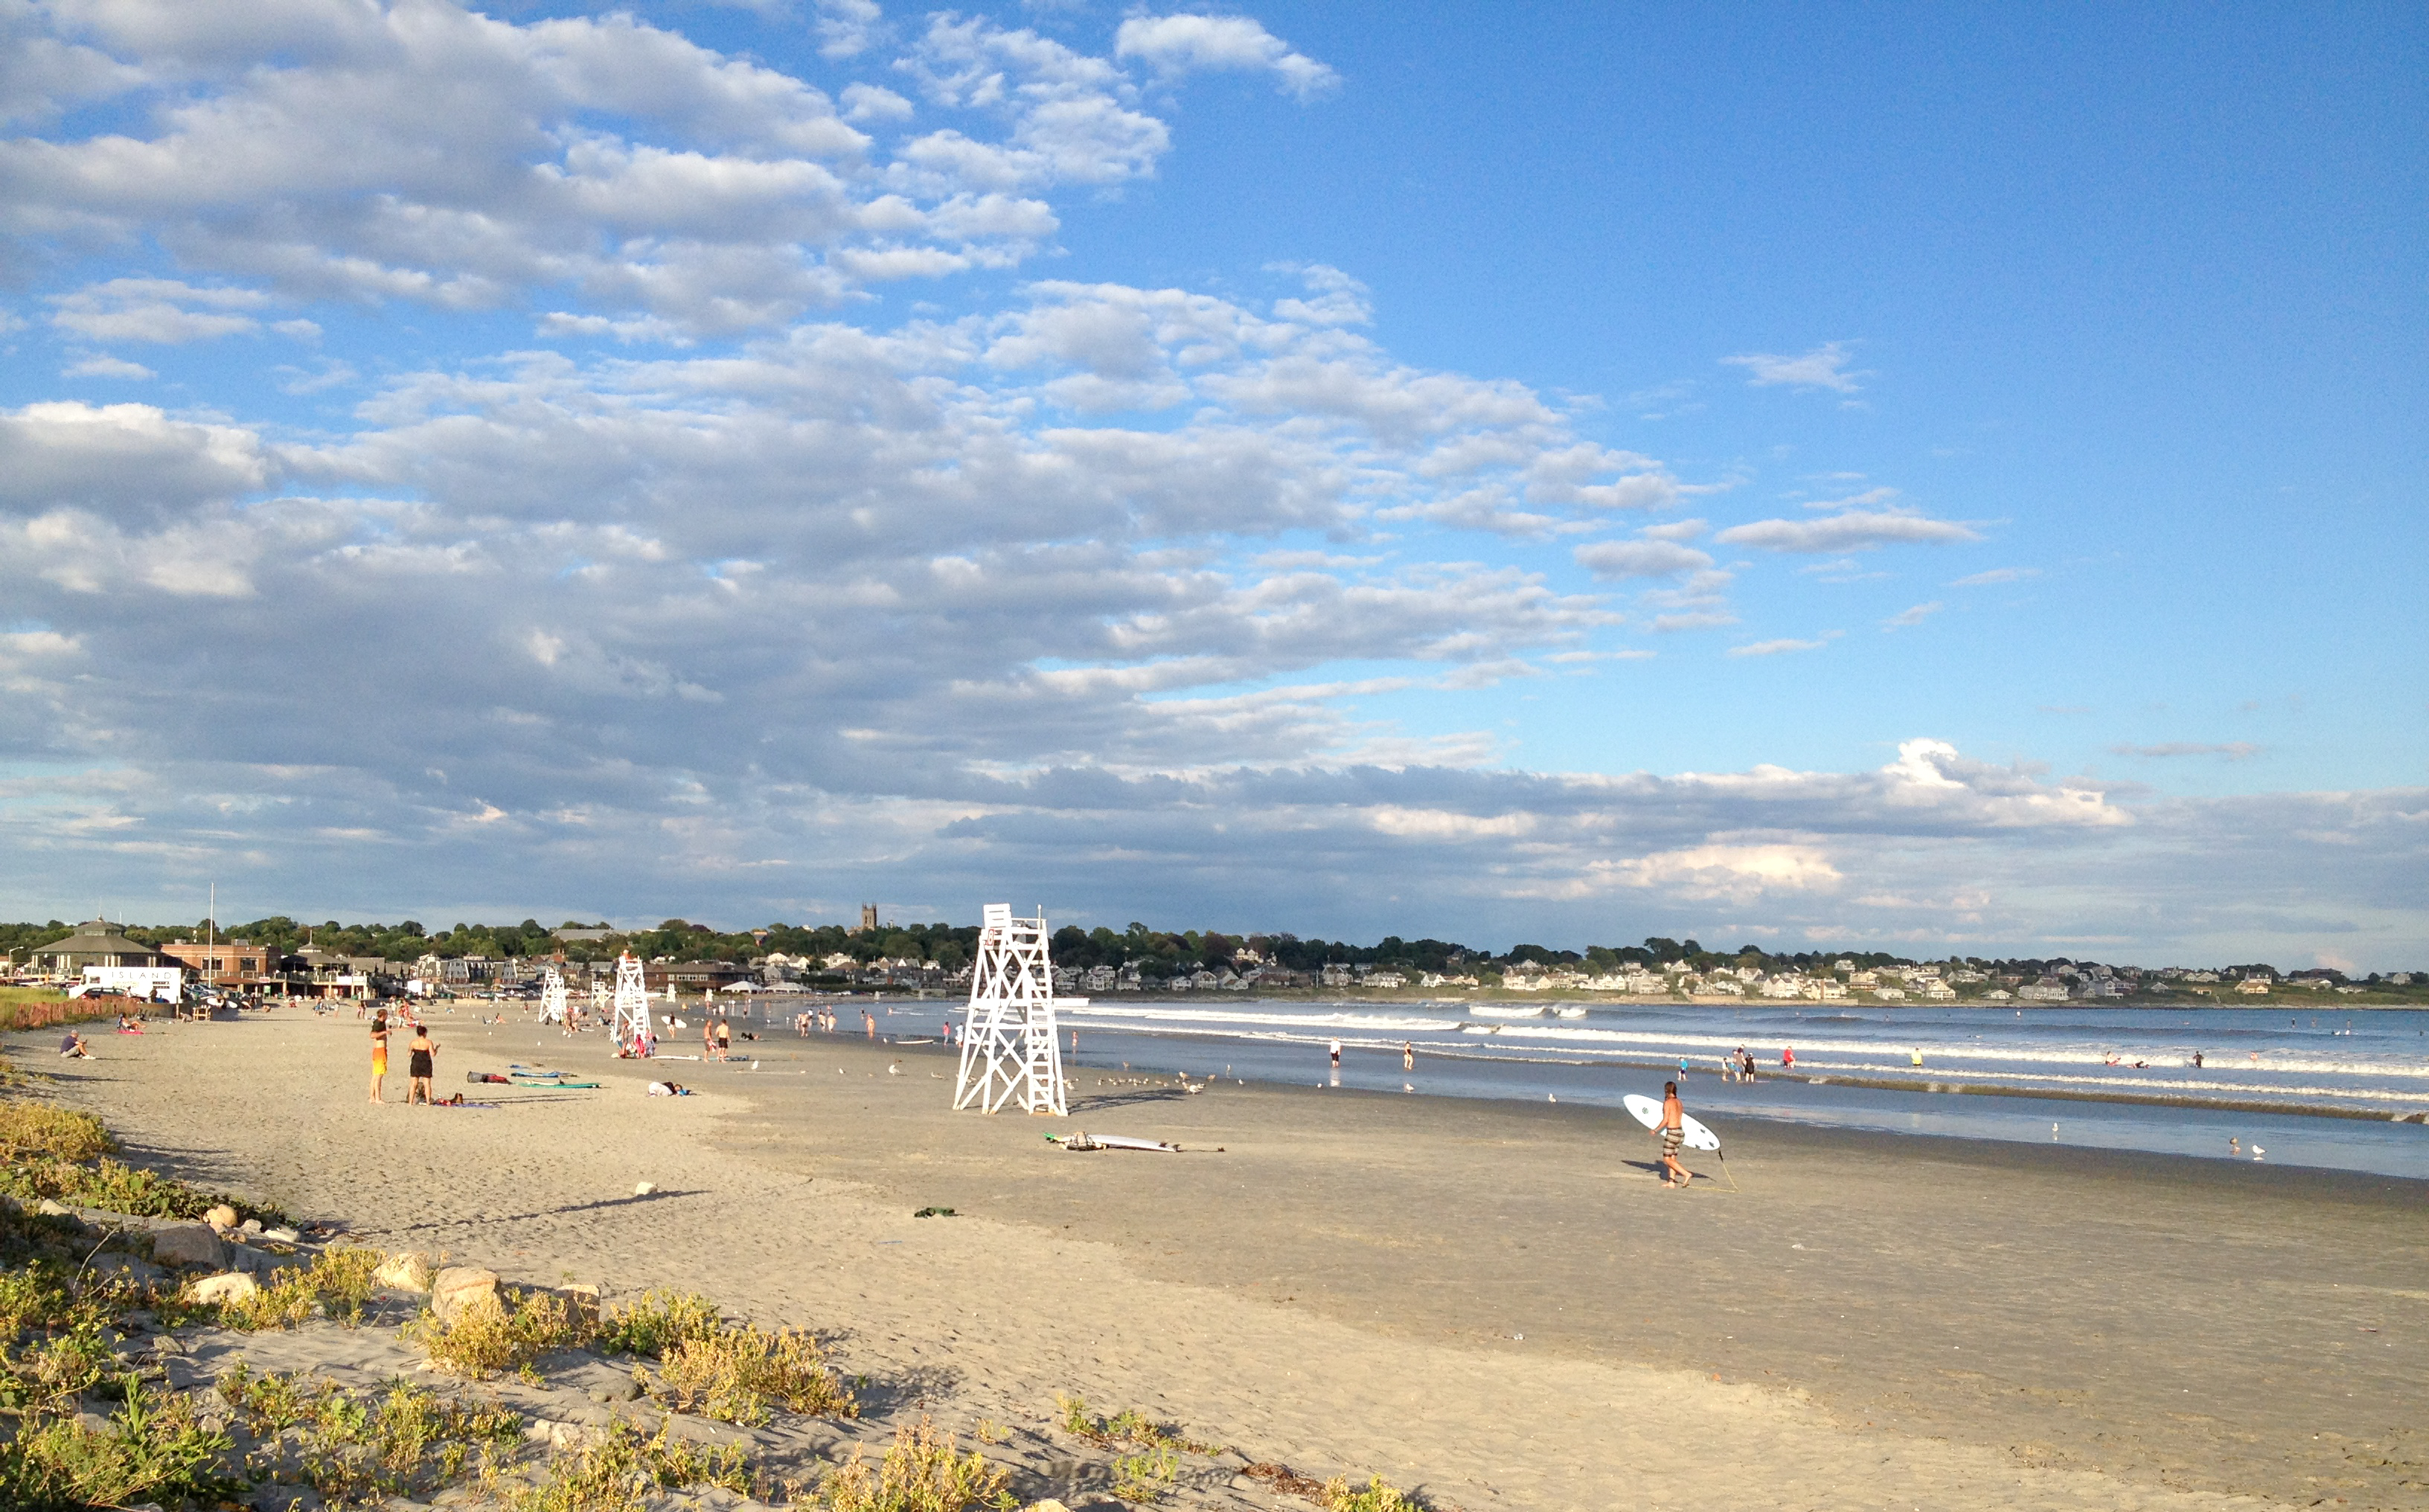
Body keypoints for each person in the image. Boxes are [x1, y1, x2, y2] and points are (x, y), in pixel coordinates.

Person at [1657, 1080, 1691, 1189]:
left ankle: (1686, 1174)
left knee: (1667, 1159)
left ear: (1666, 1090)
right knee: (1672, 1158)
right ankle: (1671, 1182)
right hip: (1680, 1132)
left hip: (1672, 1132)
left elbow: (1666, 1120)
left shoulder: (1668, 1103)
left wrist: (1656, 1130)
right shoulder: (1679, 1102)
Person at [406, 1024, 437, 1104]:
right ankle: (428, 1102)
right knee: (427, 1084)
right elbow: (433, 1054)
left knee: (413, 1084)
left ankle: (410, 1102)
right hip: (426, 1063)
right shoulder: (428, 1042)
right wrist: (436, 1048)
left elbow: (409, 1054)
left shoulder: (413, 1042)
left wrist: (411, 1050)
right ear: (425, 1033)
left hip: (416, 1062)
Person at [369, 1013, 390, 1103]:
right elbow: (372, 1035)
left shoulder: (382, 1023)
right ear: (383, 1016)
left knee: (375, 1076)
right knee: (379, 1075)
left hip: (380, 1050)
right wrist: (384, 1033)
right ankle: (377, 1098)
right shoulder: (377, 1023)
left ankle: (372, 1098)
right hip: (379, 1051)